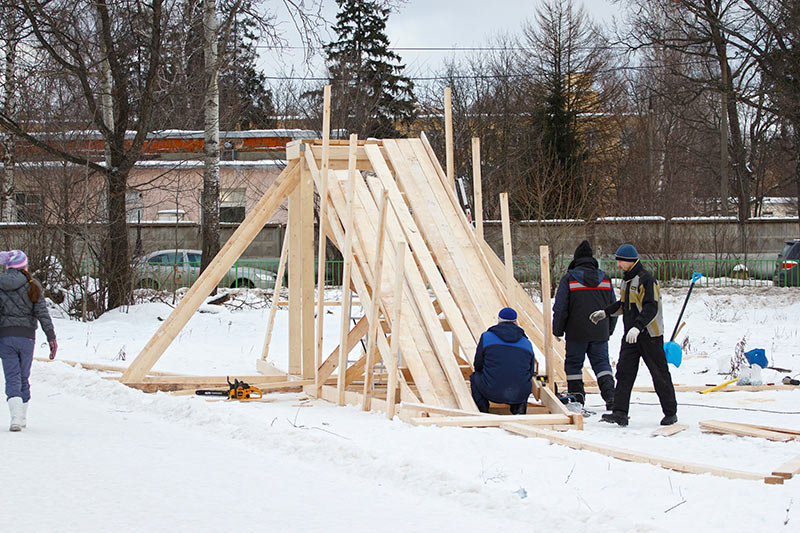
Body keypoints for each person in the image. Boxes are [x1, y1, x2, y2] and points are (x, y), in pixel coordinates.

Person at [589, 244, 677, 426]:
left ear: (629, 261)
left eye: (620, 261)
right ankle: (619, 413)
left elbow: (651, 307)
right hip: (631, 335)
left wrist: (638, 327)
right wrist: (605, 312)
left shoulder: (646, 280)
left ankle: (670, 412)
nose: (618, 265)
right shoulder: (627, 281)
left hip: (649, 335)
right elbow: (624, 304)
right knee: (624, 372)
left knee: (659, 373)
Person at [552, 240, 617, 411]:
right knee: (602, 365)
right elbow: (614, 307)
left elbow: (560, 307)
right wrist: (608, 329)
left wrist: (557, 330)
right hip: (600, 331)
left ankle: (577, 398)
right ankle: (611, 397)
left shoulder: (569, 279)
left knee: (573, 365)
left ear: (576, 259)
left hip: (576, 332)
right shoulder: (605, 279)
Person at [0, 250, 57, 432]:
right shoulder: (33, 284)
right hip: (27, 338)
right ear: (24, 266)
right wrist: (51, 337)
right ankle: (22, 416)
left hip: (5, 337)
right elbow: (42, 313)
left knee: (12, 376)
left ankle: (16, 418)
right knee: (24, 376)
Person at [469, 307, 536, 414]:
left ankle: (482, 408)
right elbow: (530, 371)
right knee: (522, 379)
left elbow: (478, 364)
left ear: (499, 320)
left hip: (491, 390)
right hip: (518, 393)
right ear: (515, 322)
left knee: (474, 377)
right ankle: (518, 408)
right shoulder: (526, 343)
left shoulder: (487, 337)